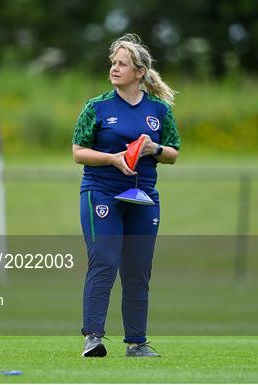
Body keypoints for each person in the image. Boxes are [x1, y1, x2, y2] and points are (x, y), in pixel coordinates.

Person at [72, 33, 181, 357]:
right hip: (101, 192)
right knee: (104, 261)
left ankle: (137, 343)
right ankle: (93, 337)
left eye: (121, 64)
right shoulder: (97, 106)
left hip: (142, 196)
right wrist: (111, 158)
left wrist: (153, 148)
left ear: (139, 72)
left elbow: (173, 153)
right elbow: (78, 152)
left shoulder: (158, 110)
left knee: (137, 269)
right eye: (113, 63)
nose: (114, 68)